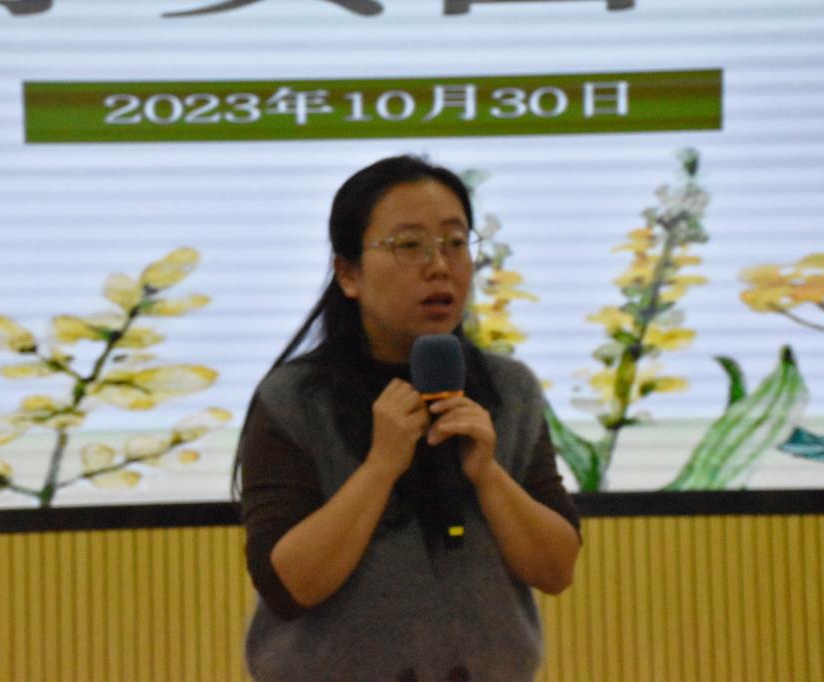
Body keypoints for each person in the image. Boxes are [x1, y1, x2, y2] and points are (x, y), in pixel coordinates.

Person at [235, 155, 581, 681]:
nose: (439, 265)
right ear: (348, 274)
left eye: (455, 242)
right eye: (409, 245)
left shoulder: (510, 391)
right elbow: (288, 587)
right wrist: (379, 467)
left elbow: (556, 570)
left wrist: (488, 475)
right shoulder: (294, 400)